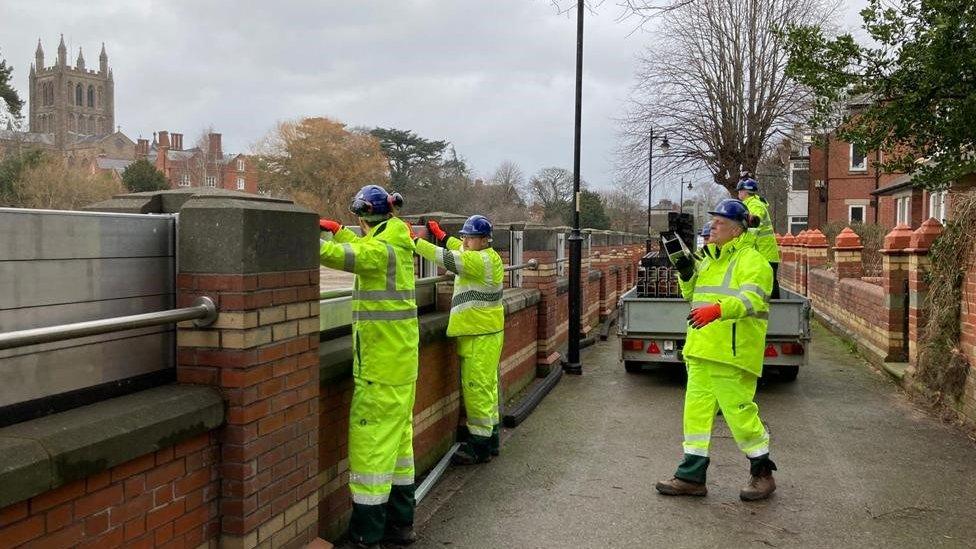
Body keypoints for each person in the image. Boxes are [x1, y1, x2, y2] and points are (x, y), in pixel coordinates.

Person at [656, 198, 778, 501]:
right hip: (701, 349)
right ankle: (691, 476)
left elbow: (753, 300)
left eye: (720, 222)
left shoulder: (753, 261)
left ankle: (763, 474)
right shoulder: (709, 258)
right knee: (694, 415)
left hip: (731, 353)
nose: (712, 226)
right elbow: (692, 294)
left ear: (736, 231)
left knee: (740, 415)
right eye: (712, 221)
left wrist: (719, 310)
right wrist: (685, 271)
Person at [319, 185, 419, 548]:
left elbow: (348, 257)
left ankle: (366, 534)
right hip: (401, 362)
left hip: (379, 366)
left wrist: (308, 239)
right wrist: (339, 231)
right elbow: (364, 247)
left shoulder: (382, 249)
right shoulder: (394, 237)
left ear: (363, 216)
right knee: (399, 448)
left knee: (371, 450)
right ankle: (400, 526)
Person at [415, 215, 505, 464]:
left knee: (477, 391)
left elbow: (447, 258)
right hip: (482, 332)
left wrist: (413, 240)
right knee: (487, 389)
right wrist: (442, 235)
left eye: (471, 237)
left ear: (485, 240)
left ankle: (479, 448)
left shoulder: (478, 260)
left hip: (480, 334)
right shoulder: (485, 255)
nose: (465, 240)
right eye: (464, 236)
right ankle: (492, 439)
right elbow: (457, 248)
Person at [737, 176, 781, 299]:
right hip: (764, 253)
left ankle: (777, 311)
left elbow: (756, 218)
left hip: (765, 253)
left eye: (740, 191)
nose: (738, 193)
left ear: (745, 192)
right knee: (768, 283)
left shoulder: (754, 204)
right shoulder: (752, 203)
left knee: (769, 284)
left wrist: (751, 218)